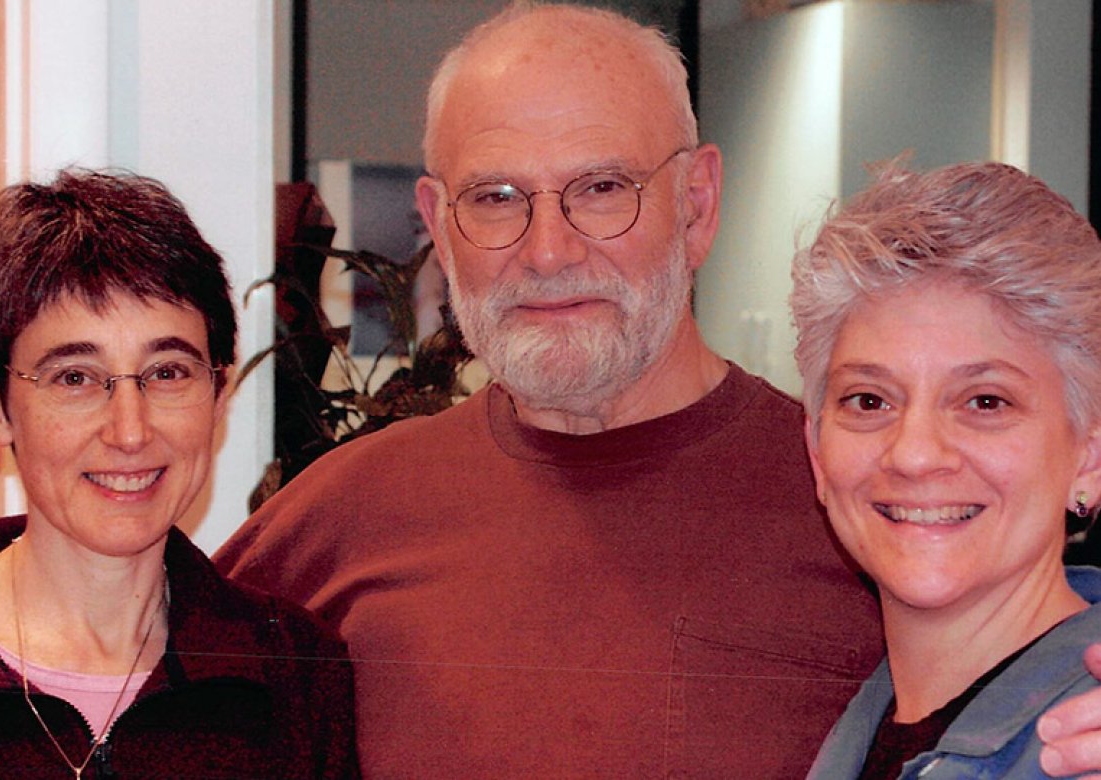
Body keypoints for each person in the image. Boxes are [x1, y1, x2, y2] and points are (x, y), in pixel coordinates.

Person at [215, 4, 881, 776]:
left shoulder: (856, 505)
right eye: (496, 198)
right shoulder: (342, 520)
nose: (549, 251)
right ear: (438, 222)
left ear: (697, 205)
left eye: (601, 187)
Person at [0, 169, 358, 777]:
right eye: (75, 378)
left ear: (219, 390)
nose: (129, 431)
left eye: (167, 373)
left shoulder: (296, 675)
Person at [792, 160, 1101, 778]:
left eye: (986, 402)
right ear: (818, 455)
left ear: (1088, 459)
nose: (915, 455)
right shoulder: (860, 731)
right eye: (869, 400)